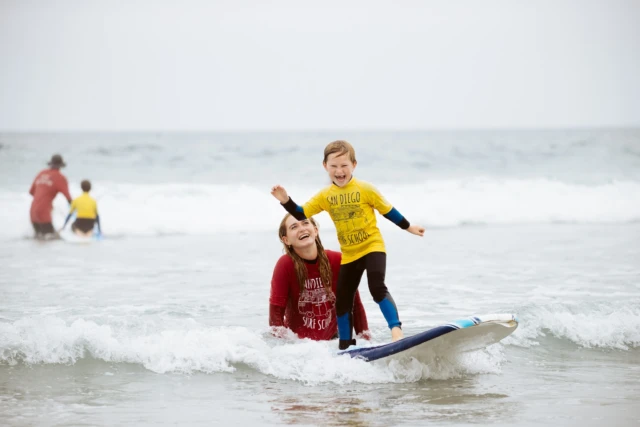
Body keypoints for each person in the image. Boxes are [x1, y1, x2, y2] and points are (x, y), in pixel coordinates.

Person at [271, 140, 425, 350]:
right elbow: (301, 213)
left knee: (376, 287)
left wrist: (408, 227)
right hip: (350, 253)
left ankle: (396, 330)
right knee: (343, 301)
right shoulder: (326, 196)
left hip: (372, 246)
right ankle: (345, 346)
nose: (339, 171)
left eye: (344, 165)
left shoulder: (366, 189)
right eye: (334, 166)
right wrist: (285, 200)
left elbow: (388, 210)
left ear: (354, 164)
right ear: (325, 167)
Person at [270, 213, 370, 341]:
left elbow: (355, 306)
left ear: (315, 230)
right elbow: (276, 316)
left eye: (305, 223)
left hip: (333, 342)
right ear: (286, 240)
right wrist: (282, 347)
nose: (302, 228)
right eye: (294, 227)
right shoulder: (285, 265)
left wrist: (367, 342)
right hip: (299, 345)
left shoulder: (338, 260)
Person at [29, 154, 72, 239]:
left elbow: (31, 192)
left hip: (33, 212)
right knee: (52, 239)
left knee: (39, 239)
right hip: (44, 212)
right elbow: (68, 198)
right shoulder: (60, 177)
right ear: (61, 166)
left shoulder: (41, 173)